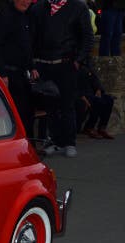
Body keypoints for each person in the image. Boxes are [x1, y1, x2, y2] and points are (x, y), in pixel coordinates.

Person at [31, 0, 94, 158]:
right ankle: (55, 142)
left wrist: (78, 60)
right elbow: (31, 35)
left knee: (67, 105)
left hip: (66, 64)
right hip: (44, 64)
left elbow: (87, 37)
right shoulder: (39, 7)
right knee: (51, 107)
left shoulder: (78, 6)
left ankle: (69, 142)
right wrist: (32, 62)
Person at [0, 0, 36, 138]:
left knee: (27, 113)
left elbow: (25, 46)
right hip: (9, 74)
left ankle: (28, 146)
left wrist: (31, 67)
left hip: (21, 74)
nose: (26, 2)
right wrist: (2, 73)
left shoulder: (25, 16)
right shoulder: (5, 16)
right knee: (18, 115)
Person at [76, 63, 115, 139]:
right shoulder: (70, 69)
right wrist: (81, 96)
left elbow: (95, 79)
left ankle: (102, 128)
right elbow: (71, 86)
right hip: (81, 95)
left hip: (91, 93)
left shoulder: (86, 67)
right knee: (97, 102)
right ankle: (89, 127)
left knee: (109, 99)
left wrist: (98, 89)